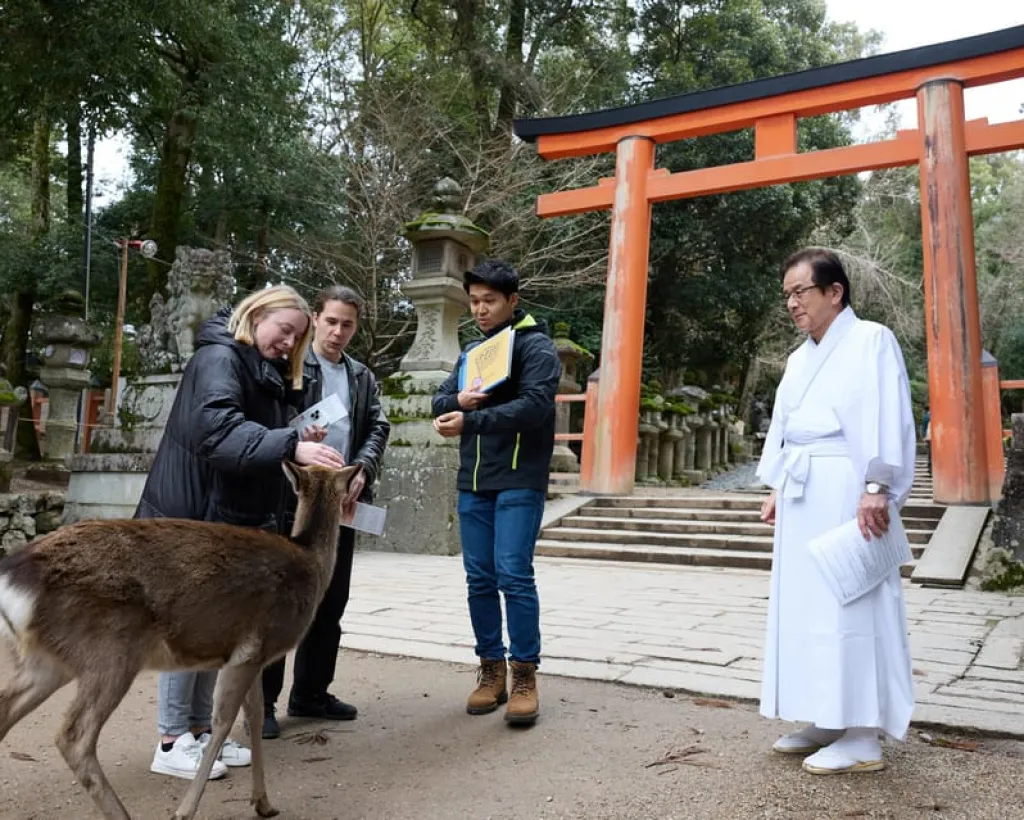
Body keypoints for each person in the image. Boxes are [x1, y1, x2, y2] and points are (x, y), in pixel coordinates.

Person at [137, 284, 346, 781]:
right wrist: (291, 444)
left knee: (216, 627)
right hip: (192, 514)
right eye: (284, 329)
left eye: (297, 337)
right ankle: (171, 738)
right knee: (185, 625)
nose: (288, 342)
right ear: (257, 314)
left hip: (225, 520)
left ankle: (201, 731)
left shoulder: (261, 367)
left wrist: (293, 435)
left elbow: (255, 437)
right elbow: (217, 432)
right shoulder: (219, 359)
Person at [757, 248, 916, 775]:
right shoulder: (801, 357)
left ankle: (863, 732)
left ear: (834, 291)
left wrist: (877, 482)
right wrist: (778, 481)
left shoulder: (870, 339)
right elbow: (786, 423)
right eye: (787, 295)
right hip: (804, 486)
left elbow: (886, 412)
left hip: (849, 484)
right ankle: (829, 715)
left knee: (854, 600)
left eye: (800, 291)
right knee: (807, 604)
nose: (792, 303)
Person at [431, 259, 561, 727]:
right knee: (479, 578)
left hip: (519, 478)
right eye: (475, 301)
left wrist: (473, 419)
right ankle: (491, 670)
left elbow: (534, 406)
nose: (480, 309)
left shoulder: (537, 348)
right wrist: (456, 404)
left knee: (513, 574)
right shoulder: (473, 351)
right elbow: (441, 398)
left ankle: (525, 673)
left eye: (489, 301)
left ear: (513, 301)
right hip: (474, 480)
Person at [261, 285, 391, 739]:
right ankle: (262, 703)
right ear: (315, 318)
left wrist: (364, 470)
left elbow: (378, 424)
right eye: (331, 321)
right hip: (291, 496)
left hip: (341, 499)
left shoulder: (361, 376)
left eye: (348, 324)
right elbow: (270, 420)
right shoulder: (290, 364)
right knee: (281, 601)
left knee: (331, 599)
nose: (338, 332)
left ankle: (312, 692)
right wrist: (296, 440)